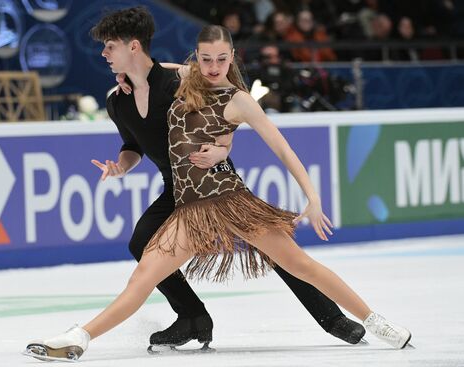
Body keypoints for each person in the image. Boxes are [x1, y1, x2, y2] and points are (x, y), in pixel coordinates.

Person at [24, 13, 412, 363]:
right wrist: (129, 78)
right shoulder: (180, 82)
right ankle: (80, 337)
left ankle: (377, 323)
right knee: (141, 276)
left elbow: (282, 147)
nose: (212, 67)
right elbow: (160, 75)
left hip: (230, 198)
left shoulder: (239, 99)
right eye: (204, 59)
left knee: (300, 264)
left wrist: (311, 196)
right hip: (189, 208)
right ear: (196, 58)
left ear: (232, 57)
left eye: (221, 59)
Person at [90, 6, 364, 348]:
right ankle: (192, 317)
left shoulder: (180, 81)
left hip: (215, 180)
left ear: (133, 47)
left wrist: (224, 145)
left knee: (273, 249)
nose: (103, 53)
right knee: (140, 241)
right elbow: (132, 145)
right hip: (176, 189)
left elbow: (228, 96)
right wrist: (121, 166)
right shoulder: (118, 101)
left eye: (109, 45)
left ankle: (333, 317)